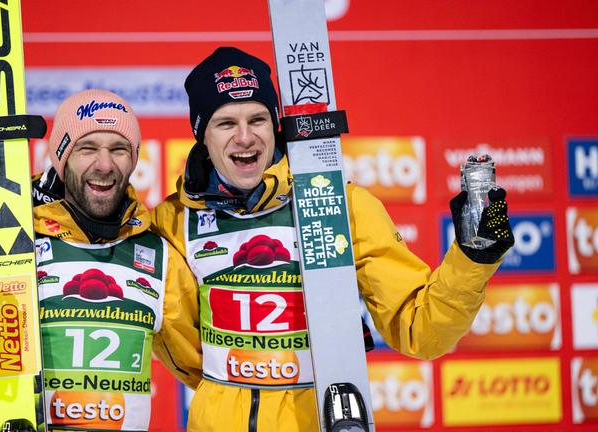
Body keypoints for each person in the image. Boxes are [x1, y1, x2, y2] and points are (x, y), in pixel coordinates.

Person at [150, 47, 514, 431]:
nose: (245, 137)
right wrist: (227, 395)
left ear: (275, 124)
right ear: (200, 135)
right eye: (225, 123)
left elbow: (420, 330)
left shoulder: (341, 205)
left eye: (257, 119)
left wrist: (473, 260)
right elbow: (185, 351)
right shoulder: (174, 222)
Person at [0, 90, 202, 431]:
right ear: (61, 158)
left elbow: (211, 372)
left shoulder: (158, 257)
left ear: (133, 160)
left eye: (119, 149)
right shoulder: (9, 251)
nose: (104, 164)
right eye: (87, 148)